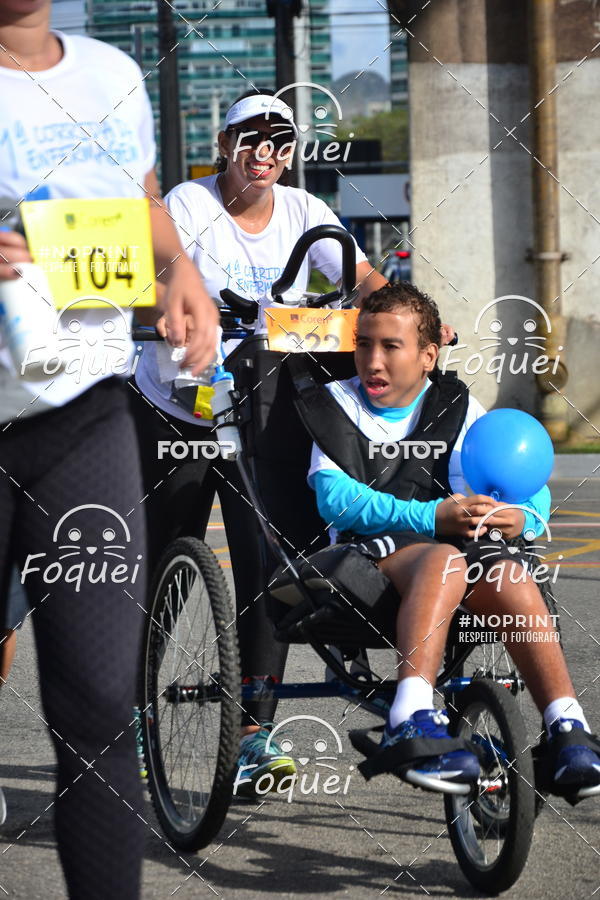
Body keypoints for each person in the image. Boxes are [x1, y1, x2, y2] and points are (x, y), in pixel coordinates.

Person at [0, 2, 217, 897]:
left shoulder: (112, 75)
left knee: (96, 704)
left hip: (83, 410)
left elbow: (143, 208)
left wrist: (182, 275)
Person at [131, 87, 399, 794]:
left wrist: (407, 319)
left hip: (262, 415)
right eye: (250, 140)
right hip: (178, 413)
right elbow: (158, 269)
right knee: (164, 565)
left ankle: (253, 734)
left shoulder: (308, 214)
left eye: (280, 142)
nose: (265, 154)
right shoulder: (191, 205)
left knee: (266, 573)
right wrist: (166, 305)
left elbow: (363, 279)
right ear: (225, 147)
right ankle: (139, 720)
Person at [307, 282, 600, 798]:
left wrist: (522, 518)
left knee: (509, 570)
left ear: (427, 356)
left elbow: (525, 489)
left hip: (460, 553)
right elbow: (335, 499)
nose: (372, 360)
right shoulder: (337, 407)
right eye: (364, 344)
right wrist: (431, 516)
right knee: (444, 558)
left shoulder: (458, 408)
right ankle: (411, 713)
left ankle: (566, 728)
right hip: (373, 557)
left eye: (390, 347)